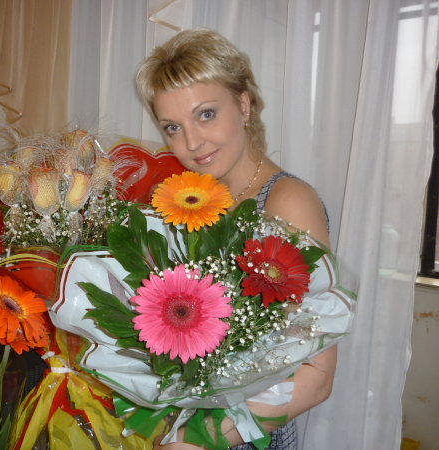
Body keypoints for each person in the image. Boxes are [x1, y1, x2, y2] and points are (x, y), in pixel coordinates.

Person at [135, 28, 336, 449]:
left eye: (206, 114)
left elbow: (314, 377)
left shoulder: (286, 201)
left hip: (240, 436)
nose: (192, 142)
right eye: (172, 127)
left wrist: (196, 439)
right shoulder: (197, 202)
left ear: (243, 105)